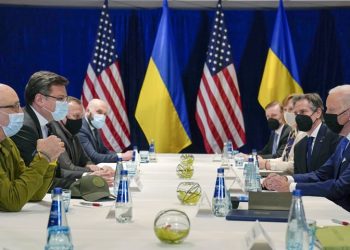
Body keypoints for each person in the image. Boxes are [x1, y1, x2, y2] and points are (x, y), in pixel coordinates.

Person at [263, 85, 350, 212]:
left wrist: (291, 186)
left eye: (332, 110)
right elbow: (321, 174)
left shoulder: (336, 138)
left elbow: (340, 187)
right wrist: (286, 179)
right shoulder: (345, 141)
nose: (327, 115)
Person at [0, 84, 65, 212]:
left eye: (19, 105)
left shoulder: (8, 143)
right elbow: (12, 201)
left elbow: (34, 194)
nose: (20, 112)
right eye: (13, 107)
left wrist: (50, 160)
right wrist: (43, 156)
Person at [11, 71, 74, 189]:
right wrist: (82, 185)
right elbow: (37, 177)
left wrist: (87, 175)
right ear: (40, 99)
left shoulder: (49, 124)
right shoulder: (23, 127)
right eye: (60, 99)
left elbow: (56, 172)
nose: (65, 104)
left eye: (66, 99)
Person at [48, 96, 114, 185]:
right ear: (61, 115)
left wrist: (96, 168)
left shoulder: (73, 132)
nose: (80, 121)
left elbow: (86, 159)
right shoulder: (54, 133)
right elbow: (68, 167)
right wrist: (93, 171)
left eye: (81, 117)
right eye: (76, 116)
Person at [258, 94, 307, 174]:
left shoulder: (304, 133)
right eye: (285, 109)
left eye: (291, 109)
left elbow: (294, 165)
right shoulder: (293, 132)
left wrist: (267, 164)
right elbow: (284, 158)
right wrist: (262, 161)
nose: (287, 113)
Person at [292, 93, 340, 174]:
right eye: (296, 114)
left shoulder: (334, 136)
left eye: (303, 111)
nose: (298, 117)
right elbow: (299, 176)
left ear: (318, 112)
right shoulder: (299, 146)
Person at [78, 99, 132, 164]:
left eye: (105, 114)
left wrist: (122, 155)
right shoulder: (81, 129)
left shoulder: (94, 126)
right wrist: (122, 156)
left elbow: (104, 151)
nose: (102, 117)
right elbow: (94, 157)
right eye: (99, 112)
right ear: (87, 111)